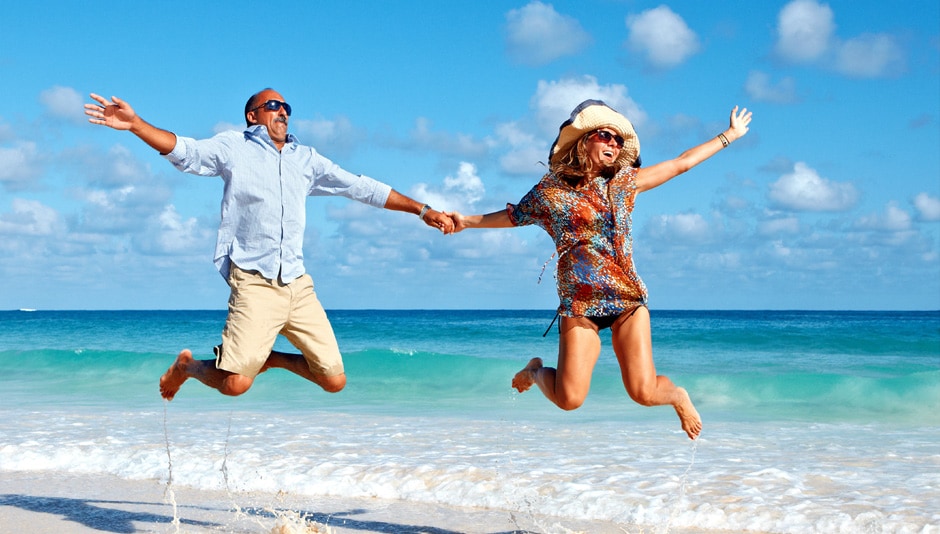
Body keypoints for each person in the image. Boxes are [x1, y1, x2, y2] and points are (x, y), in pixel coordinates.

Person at [85, 88, 455, 401]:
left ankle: (272, 358)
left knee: (334, 381)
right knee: (235, 385)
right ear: (253, 116)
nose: (283, 113)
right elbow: (186, 152)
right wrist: (135, 125)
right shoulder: (234, 146)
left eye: (287, 108)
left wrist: (421, 209)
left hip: (296, 282)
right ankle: (188, 367)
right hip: (254, 280)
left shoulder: (306, 159)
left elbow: (362, 187)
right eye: (274, 106)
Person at [449, 100, 752, 439]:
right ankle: (535, 372)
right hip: (579, 305)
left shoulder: (624, 183)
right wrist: (466, 222)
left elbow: (681, 164)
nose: (614, 144)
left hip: (625, 299)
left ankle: (678, 396)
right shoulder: (551, 192)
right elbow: (514, 216)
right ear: (584, 140)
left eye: (619, 140)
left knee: (643, 392)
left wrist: (729, 135)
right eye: (606, 136)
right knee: (570, 399)